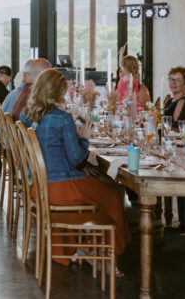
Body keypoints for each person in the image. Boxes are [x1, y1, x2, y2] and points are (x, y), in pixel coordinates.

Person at [19, 69, 130, 265]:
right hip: (62, 189)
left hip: (38, 186)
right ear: (58, 92)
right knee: (113, 194)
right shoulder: (62, 118)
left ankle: (89, 243)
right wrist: (84, 138)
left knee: (96, 180)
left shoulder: (27, 115)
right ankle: (107, 251)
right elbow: (76, 158)